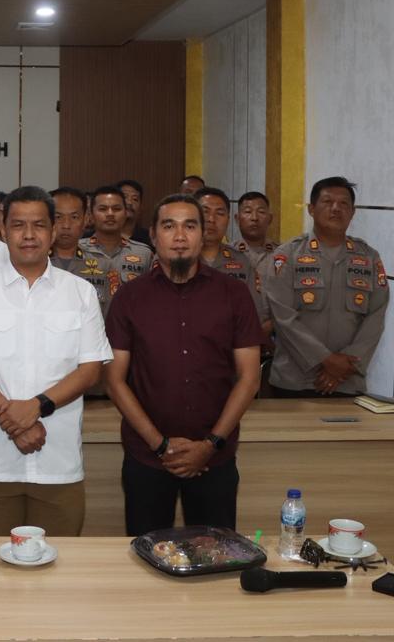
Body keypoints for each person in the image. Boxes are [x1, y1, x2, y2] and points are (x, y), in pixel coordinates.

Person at [0, 186, 110, 536]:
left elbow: (90, 370)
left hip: (59, 463)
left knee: (60, 563)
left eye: (38, 225)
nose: (28, 235)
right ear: (3, 229)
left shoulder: (80, 292)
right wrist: (17, 424)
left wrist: (36, 407)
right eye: (18, 225)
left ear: (53, 231)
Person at [104, 194, 263, 536]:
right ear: (153, 235)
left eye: (190, 226)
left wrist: (209, 445)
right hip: (147, 458)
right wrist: (161, 445)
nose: (179, 236)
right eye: (169, 226)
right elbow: (115, 381)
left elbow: (249, 378)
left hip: (215, 458)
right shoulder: (129, 298)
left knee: (216, 555)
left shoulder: (234, 295)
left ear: (203, 234)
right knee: (146, 554)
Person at [264, 176, 389, 397]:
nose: (336, 208)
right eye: (328, 202)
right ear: (311, 209)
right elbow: (283, 317)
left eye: (344, 203)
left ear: (353, 212)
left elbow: (376, 315)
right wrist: (326, 360)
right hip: (293, 381)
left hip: (347, 381)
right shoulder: (287, 255)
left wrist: (345, 365)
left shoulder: (368, 257)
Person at [79, 186, 153, 316]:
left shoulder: (144, 254)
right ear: (91, 214)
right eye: (103, 209)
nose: (110, 214)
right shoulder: (77, 250)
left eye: (117, 209)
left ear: (125, 213)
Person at [195, 187, 264, 315]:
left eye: (220, 213)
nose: (211, 219)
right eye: (205, 212)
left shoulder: (242, 261)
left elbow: (254, 313)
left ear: (228, 220)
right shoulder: (176, 258)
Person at [235, 191, 277, 273]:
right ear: (237, 219)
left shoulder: (283, 253)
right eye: (248, 212)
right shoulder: (226, 253)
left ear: (270, 219)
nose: (254, 218)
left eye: (261, 212)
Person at [117, 179, 153, 247]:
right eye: (124, 197)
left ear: (140, 208)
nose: (129, 202)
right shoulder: (100, 236)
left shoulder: (150, 239)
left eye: (135, 199)